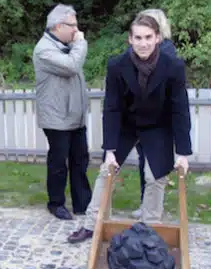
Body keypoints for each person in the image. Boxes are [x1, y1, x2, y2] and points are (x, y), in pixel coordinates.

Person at [68, 14, 191, 243]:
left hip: (158, 127)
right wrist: (111, 150)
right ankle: (92, 225)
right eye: (138, 38)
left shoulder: (172, 66)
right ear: (130, 39)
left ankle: (150, 228)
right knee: (107, 172)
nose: (143, 43)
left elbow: (180, 109)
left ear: (157, 38)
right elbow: (112, 108)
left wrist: (183, 152)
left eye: (148, 37)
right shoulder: (117, 65)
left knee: (155, 177)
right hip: (126, 124)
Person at [33, 4, 92, 221]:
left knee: (80, 160)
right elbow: (71, 66)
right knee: (59, 163)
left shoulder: (65, 45)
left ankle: (82, 204)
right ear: (59, 26)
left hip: (75, 116)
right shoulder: (44, 49)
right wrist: (81, 43)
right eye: (73, 25)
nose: (77, 30)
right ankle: (56, 203)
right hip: (56, 118)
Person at [131, 9, 177, 218]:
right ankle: (146, 205)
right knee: (145, 164)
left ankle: (152, 211)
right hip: (140, 118)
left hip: (158, 120)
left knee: (155, 168)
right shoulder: (142, 51)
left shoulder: (165, 52)